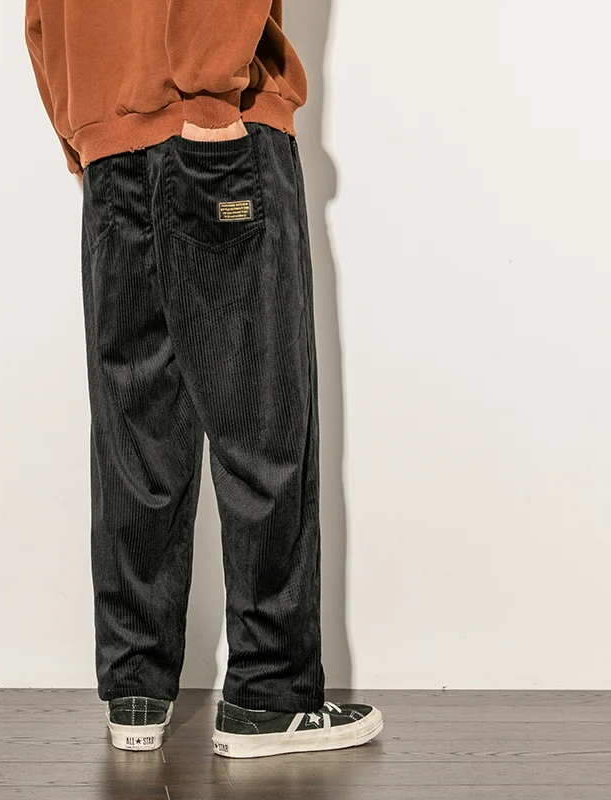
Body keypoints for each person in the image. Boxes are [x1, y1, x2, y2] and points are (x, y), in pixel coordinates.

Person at [24, 0, 383, 759]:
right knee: (263, 425)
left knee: (135, 428)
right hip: (215, 128)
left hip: (108, 142)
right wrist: (212, 94)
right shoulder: (211, 101)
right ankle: (269, 695)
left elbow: (40, 16)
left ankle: (136, 688)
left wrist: (81, 127)